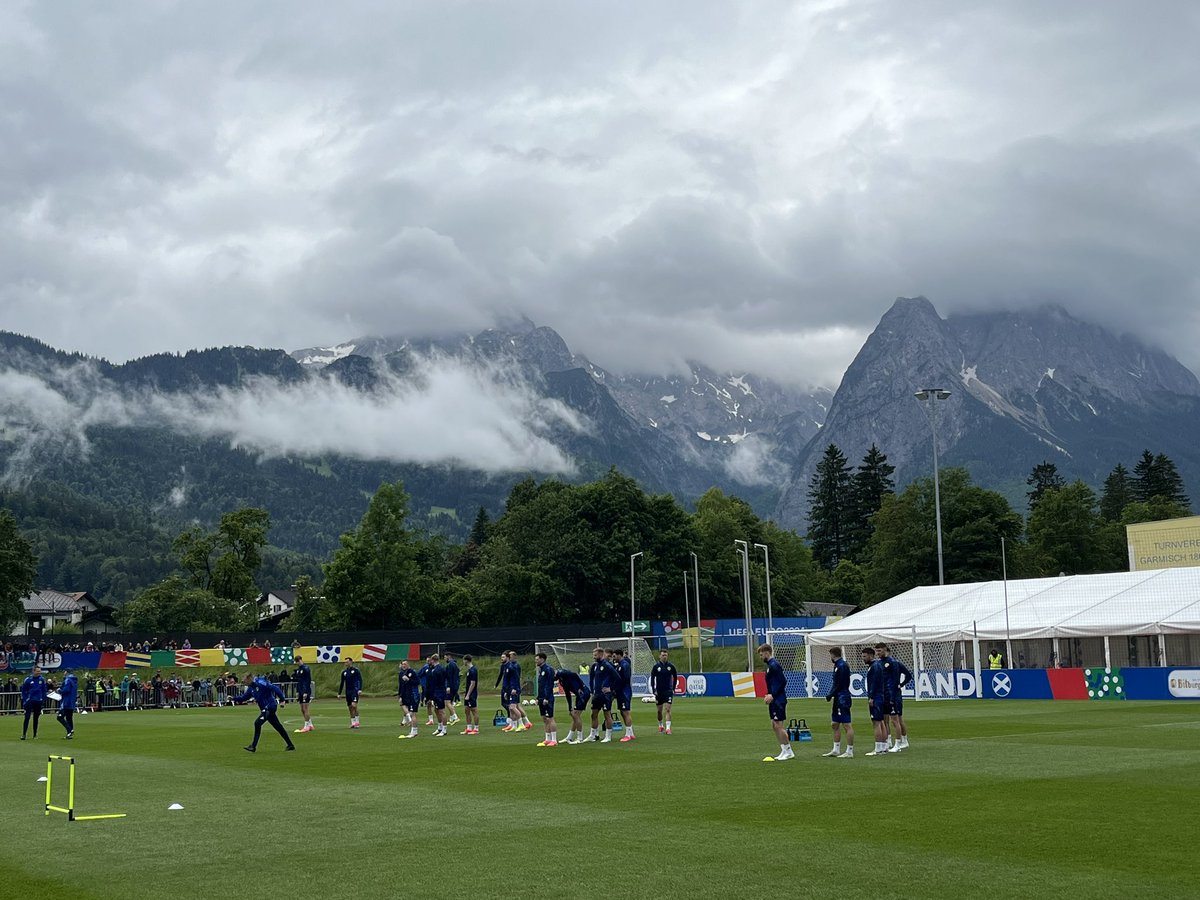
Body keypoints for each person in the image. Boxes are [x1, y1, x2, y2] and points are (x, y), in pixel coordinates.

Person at [233, 672, 295, 752]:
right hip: (265, 709)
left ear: (249, 679)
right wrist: (234, 698)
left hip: (270, 706)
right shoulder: (251, 688)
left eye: (244, 681)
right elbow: (244, 698)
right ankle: (290, 745)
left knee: (257, 723)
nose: (243, 682)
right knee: (278, 727)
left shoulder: (260, 683)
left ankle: (253, 746)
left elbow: (275, 688)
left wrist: (282, 699)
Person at [759, 643, 794, 762]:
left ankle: (789, 751)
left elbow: (783, 681)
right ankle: (784, 749)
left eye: (761, 654)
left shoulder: (774, 665)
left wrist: (773, 695)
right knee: (774, 725)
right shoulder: (770, 665)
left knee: (779, 725)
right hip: (774, 698)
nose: (761, 656)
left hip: (778, 699)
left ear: (767, 652)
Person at [876, 643, 913, 752]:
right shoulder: (879, 663)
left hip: (893, 695)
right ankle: (888, 741)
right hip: (884, 695)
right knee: (885, 719)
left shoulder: (893, 663)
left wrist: (900, 685)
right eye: (877, 651)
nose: (878, 653)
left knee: (896, 719)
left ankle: (900, 743)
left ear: (885, 650)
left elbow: (908, 675)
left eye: (880, 651)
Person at [822, 647, 854, 758]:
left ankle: (849, 751)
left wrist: (830, 694)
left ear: (833, 654)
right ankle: (836, 749)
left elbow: (840, 683)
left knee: (846, 724)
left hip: (842, 698)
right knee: (834, 724)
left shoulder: (842, 665)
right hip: (837, 697)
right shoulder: (837, 665)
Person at [588, 647, 619, 742]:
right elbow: (591, 679)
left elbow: (617, 678)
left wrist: (611, 688)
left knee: (607, 714)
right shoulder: (595, 666)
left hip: (606, 695)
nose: (594, 657)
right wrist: (592, 692)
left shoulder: (607, 665)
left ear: (601, 654)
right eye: (593, 655)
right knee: (593, 714)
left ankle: (608, 736)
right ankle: (593, 735)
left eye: (595, 655)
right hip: (597, 694)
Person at [862, 647, 888, 756]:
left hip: (876, 697)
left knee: (876, 723)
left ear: (871, 656)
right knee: (881, 721)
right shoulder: (876, 666)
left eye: (864, 656)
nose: (863, 658)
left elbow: (874, 683)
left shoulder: (874, 667)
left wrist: (871, 697)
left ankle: (878, 748)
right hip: (880, 696)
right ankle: (883, 746)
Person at [555, 666, 591, 744]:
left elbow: (574, 674)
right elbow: (568, 694)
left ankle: (580, 738)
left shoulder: (564, 674)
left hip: (583, 694)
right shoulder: (562, 681)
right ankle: (569, 737)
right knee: (574, 715)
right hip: (579, 695)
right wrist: (570, 708)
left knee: (576, 715)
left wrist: (581, 686)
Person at [650, 650, 678, 734]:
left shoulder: (671, 666)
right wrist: (654, 690)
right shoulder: (656, 667)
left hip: (668, 691)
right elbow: (652, 678)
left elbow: (675, 677)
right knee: (659, 711)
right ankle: (660, 725)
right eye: (663, 655)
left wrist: (673, 688)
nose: (664, 657)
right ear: (660, 656)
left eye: (666, 655)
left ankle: (668, 728)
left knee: (668, 709)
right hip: (659, 691)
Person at [501, 651, 530, 732]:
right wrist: (506, 691)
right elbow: (507, 680)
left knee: (513, 707)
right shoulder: (507, 666)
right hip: (509, 689)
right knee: (511, 708)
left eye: (509, 656)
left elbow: (516, 679)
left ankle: (521, 724)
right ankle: (513, 725)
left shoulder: (513, 666)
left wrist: (514, 688)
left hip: (513, 689)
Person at [611, 647, 636, 742]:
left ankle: (628, 734)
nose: (613, 658)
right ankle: (631, 733)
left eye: (614, 656)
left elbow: (624, 679)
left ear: (619, 655)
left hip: (624, 691)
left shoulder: (624, 665)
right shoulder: (620, 665)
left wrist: (615, 688)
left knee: (625, 712)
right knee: (622, 711)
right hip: (621, 691)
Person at [534, 652, 558, 747]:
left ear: (542, 659)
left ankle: (554, 739)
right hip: (541, 697)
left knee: (550, 718)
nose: (536, 661)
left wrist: (546, 697)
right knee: (544, 718)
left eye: (537, 659)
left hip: (547, 698)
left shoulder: (548, 669)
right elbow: (541, 686)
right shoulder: (541, 670)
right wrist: (538, 697)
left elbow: (549, 685)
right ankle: (547, 739)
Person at [20, 665, 48, 740]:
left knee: (36, 718)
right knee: (27, 717)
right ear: (33, 671)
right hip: (30, 701)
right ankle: (24, 734)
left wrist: (43, 699)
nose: (39, 672)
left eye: (40, 671)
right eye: (37, 671)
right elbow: (23, 691)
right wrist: (25, 700)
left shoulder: (42, 679)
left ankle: (35, 734)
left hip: (38, 701)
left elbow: (44, 690)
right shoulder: (28, 680)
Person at [424, 655, 448, 737]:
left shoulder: (439, 669)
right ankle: (440, 727)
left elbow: (437, 681)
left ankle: (444, 729)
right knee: (436, 710)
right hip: (435, 692)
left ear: (433, 660)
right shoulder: (434, 669)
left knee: (442, 711)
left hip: (439, 692)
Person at [398, 660, 422, 739]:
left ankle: (414, 732)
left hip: (414, 695)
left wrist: (409, 680)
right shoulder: (403, 673)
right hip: (408, 695)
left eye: (405, 664)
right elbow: (402, 686)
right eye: (402, 664)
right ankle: (413, 731)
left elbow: (417, 682)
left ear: (408, 664)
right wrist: (401, 695)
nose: (403, 665)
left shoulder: (412, 672)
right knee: (410, 713)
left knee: (412, 714)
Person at [337, 658, 363, 729]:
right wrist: (339, 693)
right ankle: (353, 722)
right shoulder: (344, 672)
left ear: (351, 662)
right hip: (348, 691)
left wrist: (359, 689)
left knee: (354, 705)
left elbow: (360, 680)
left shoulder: (356, 670)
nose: (346, 663)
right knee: (350, 707)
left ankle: (357, 721)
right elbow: (342, 683)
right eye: (345, 662)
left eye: (347, 662)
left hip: (354, 690)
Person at [292, 655, 314, 733]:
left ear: (301, 660)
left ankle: (306, 726)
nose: (298, 663)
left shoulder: (306, 669)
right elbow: (299, 682)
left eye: (298, 661)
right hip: (300, 690)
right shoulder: (298, 670)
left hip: (306, 691)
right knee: (302, 709)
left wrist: (305, 691)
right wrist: (298, 691)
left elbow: (307, 681)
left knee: (305, 708)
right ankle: (310, 724)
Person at [56, 670, 78, 739]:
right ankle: (70, 733)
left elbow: (66, 690)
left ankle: (69, 730)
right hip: (71, 702)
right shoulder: (74, 680)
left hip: (66, 702)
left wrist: (60, 691)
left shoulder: (67, 680)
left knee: (60, 717)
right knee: (69, 717)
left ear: (67, 672)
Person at [460, 655, 479, 735]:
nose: (463, 662)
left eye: (464, 660)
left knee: (474, 710)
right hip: (468, 693)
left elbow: (473, 683)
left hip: (472, 694)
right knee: (466, 710)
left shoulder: (473, 670)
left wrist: (468, 694)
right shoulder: (469, 670)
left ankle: (476, 728)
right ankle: (469, 727)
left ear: (466, 660)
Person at [444, 653, 461, 725]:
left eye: (445, 657)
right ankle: (451, 718)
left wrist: (448, 686)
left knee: (447, 702)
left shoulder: (450, 665)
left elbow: (449, 677)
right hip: (455, 685)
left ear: (448, 657)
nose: (444, 659)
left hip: (451, 686)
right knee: (450, 702)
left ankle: (455, 717)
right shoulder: (455, 664)